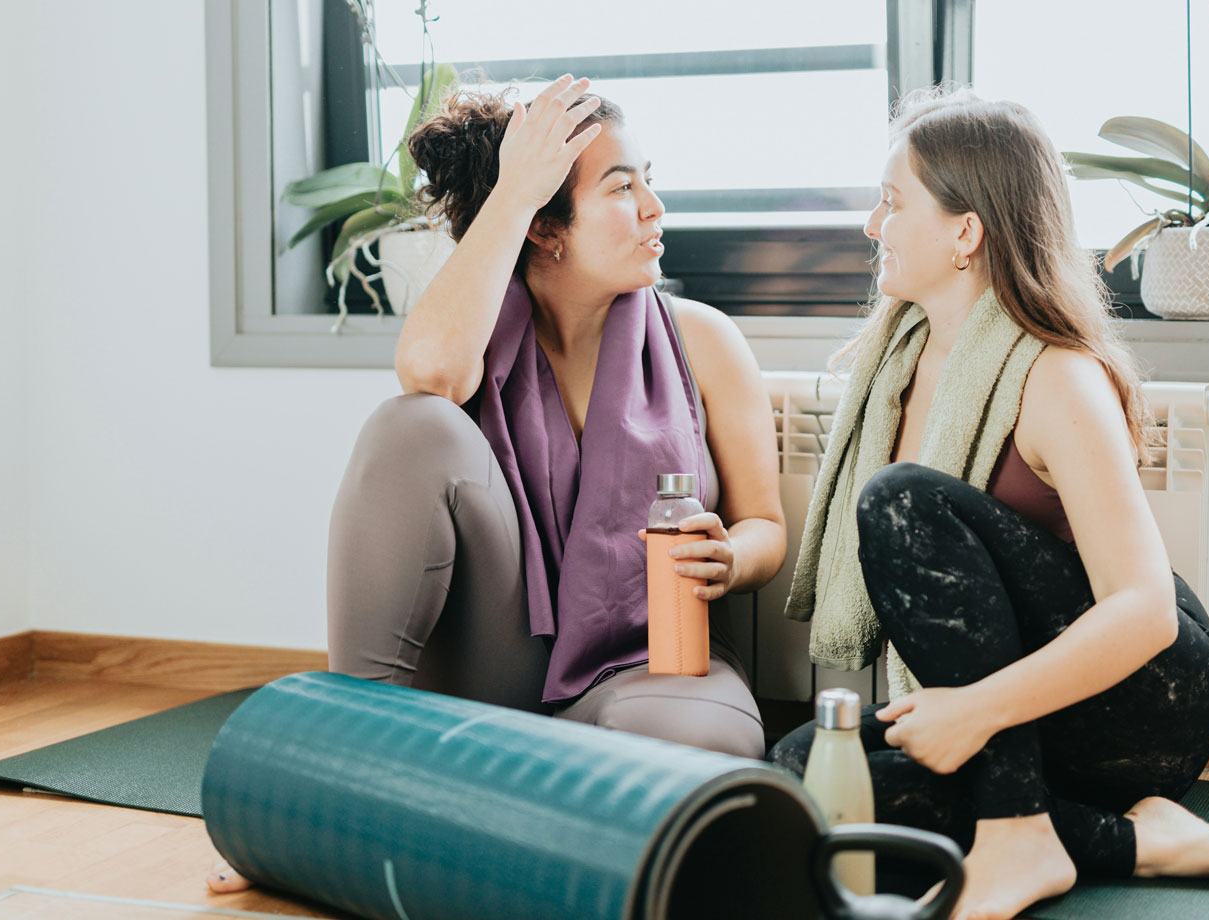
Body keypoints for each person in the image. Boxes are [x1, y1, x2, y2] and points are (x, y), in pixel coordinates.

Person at [208, 75, 786, 894]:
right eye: (623, 189)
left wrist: (733, 557)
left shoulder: (705, 341)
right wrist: (514, 193)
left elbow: (765, 522)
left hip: (646, 662)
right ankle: (339, 765)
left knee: (707, 760)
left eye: (648, 179)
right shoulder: (475, 332)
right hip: (496, 659)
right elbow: (430, 373)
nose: (656, 208)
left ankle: (460, 801)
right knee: (414, 423)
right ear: (546, 228)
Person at [768, 85, 1209, 920]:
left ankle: (1019, 831)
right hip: (1026, 719)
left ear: (966, 231)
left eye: (891, 204)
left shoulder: (1058, 377)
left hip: (1143, 699)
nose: (873, 227)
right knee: (801, 774)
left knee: (902, 501)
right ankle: (1153, 843)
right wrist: (964, 711)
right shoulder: (895, 367)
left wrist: (974, 710)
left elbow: (1144, 613)